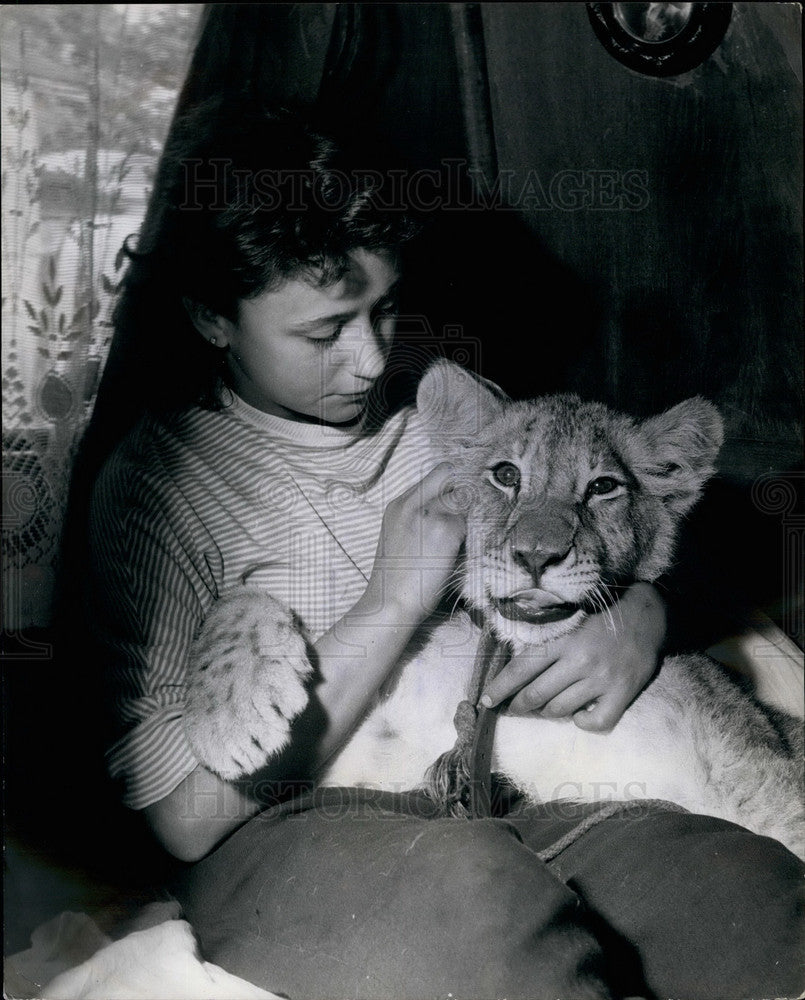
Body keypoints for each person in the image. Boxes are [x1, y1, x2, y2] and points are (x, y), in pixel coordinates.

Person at [84, 97, 804, 1000]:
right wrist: (392, 598)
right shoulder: (153, 491)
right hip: (298, 826)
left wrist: (637, 616)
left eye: (384, 310)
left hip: (516, 777)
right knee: (479, 903)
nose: (370, 360)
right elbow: (183, 820)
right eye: (322, 332)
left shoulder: (453, 414)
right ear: (211, 319)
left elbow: (606, 524)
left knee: (747, 895)